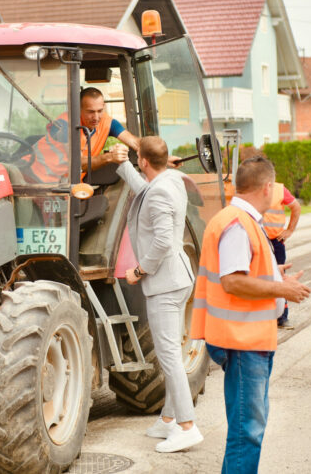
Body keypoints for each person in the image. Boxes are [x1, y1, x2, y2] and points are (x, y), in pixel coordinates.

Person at [190, 156, 310, 473]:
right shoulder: (238, 224)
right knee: (247, 433)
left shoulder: (237, 219)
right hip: (242, 340)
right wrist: (283, 290)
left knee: (247, 429)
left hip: (244, 337)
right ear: (267, 187)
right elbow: (233, 281)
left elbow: (243, 270)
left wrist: (276, 276)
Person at [112, 135, 203, 453]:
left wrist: (139, 271)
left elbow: (163, 241)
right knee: (172, 354)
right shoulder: (170, 180)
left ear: (145, 161)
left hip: (165, 282)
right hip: (177, 279)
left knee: (168, 358)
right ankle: (167, 419)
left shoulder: (162, 188)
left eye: (138, 157)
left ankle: (187, 426)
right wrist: (123, 164)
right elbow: (145, 190)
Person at [28, 87, 137, 182]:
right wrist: (110, 157)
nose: (96, 117)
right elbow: (77, 164)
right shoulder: (64, 125)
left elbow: (135, 142)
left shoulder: (107, 123)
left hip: (62, 185)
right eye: (90, 112)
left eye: (100, 111)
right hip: (34, 177)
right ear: (78, 109)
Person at [263, 181, 301, 329]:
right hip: (256, 239)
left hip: (275, 241)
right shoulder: (250, 188)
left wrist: (290, 230)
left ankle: (282, 317)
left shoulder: (279, 189)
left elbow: (295, 207)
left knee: (279, 277)